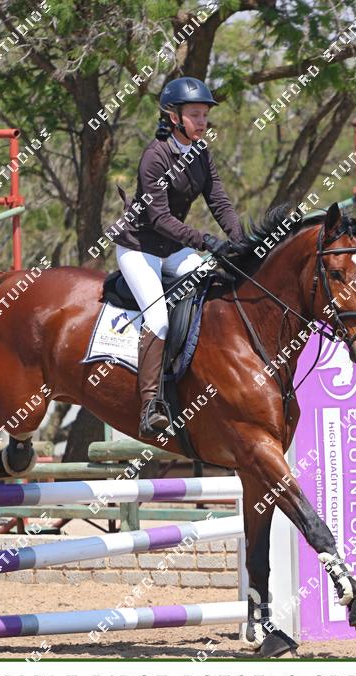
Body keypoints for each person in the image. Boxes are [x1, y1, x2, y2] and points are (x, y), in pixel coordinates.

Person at [111, 76, 244, 438]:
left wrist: (240, 239)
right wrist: (204, 240)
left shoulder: (201, 153)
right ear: (174, 117)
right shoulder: (155, 157)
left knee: (212, 289)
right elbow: (159, 219)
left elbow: (219, 200)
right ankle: (150, 405)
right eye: (195, 115)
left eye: (205, 115)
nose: (202, 122)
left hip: (171, 249)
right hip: (139, 247)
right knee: (158, 317)